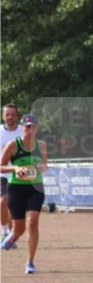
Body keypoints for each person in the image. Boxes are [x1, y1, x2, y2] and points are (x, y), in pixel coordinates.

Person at [1, 113, 47, 273]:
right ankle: (13, 236)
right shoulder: (13, 145)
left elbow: (44, 164)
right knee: (19, 228)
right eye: (27, 126)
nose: (30, 129)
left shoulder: (41, 145)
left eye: (33, 126)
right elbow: (1, 166)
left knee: (33, 222)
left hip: (36, 188)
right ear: (21, 127)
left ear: (37, 129)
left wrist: (42, 167)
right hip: (16, 189)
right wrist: (15, 168)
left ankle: (30, 262)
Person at [1, 103, 22, 239]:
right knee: (3, 201)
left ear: (17, 116)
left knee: (12, 207)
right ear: (3, 116)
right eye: (7, 114)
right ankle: (4, 233)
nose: (10, 117)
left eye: (13, 114)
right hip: (2, 173)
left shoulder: (23, 131)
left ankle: (9, 231)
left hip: (19, 174)